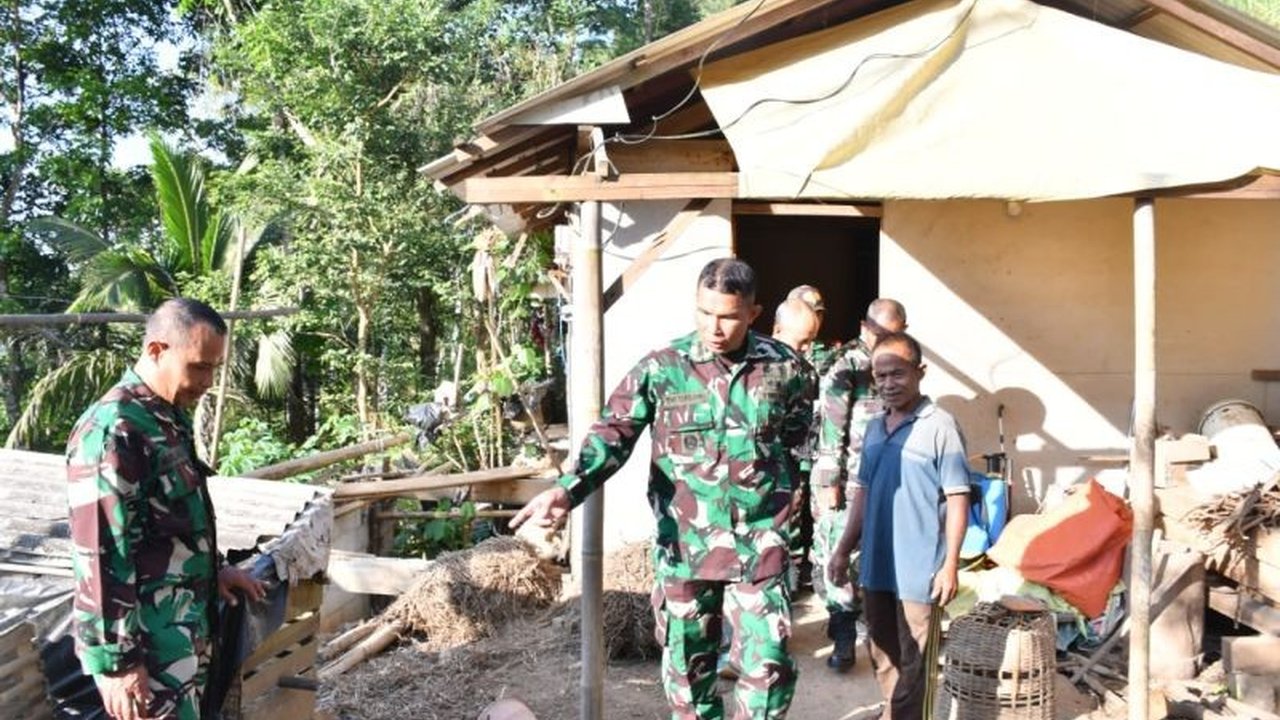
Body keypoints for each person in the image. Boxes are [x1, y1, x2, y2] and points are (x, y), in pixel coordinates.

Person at [511, 258, 815, 719]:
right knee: (689, 679)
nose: (715, 327)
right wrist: (566, 490)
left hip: (760, 546)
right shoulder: (662, 369)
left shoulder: (786, 369)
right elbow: (613, 433)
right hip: (686, 548)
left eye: (729, 316)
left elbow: (795, 440)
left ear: (753, 313)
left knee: (768, 667)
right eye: (705, 312)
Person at [67, 298, 266, 720]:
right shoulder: (114, 430)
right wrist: (118, 664)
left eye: (215, 368)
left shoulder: (164, 418)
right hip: (145, 651)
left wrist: (214, 570)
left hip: (182, 635)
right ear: (157, 350)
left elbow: (169, 525)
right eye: (199, 366)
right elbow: (100, 557)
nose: (208, 381)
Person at [828, 333, 970, 720]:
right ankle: (893, 712)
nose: (889, 384)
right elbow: (863, 493)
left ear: (920, 373)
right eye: (880, 375)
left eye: (898, 374)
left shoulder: (941, 426)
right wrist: (843, 549)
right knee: (881, 649)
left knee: (916, 657)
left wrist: (950, 564)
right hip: (876, 563)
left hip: (920, 568)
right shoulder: (874, 428)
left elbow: (959, 498)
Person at [809, 298, 907, 671]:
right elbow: (831, 431)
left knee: (878, 557)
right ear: (867, 328)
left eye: (898, 335)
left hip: (887, 481)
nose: (890, 341)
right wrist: (829, 482)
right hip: (848, 481)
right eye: (885, 334)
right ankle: (844, 638)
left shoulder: (899, 367)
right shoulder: (845, 366)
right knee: (839, 558)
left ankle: (879, 636)